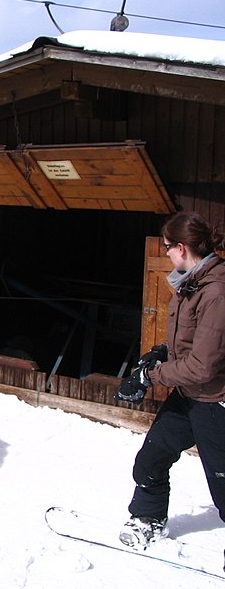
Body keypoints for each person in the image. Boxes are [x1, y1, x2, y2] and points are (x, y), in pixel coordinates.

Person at [116, 211, 225, 550]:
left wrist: (150, 377)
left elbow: (203, 366)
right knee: (151, 459)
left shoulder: (216, 292)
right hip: (188, 395)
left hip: (216, 402)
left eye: (166, 247)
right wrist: (162, 352)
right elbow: (194, 342)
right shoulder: (190, 282)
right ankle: (148, 518)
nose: (164, 253)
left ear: (181, 247)